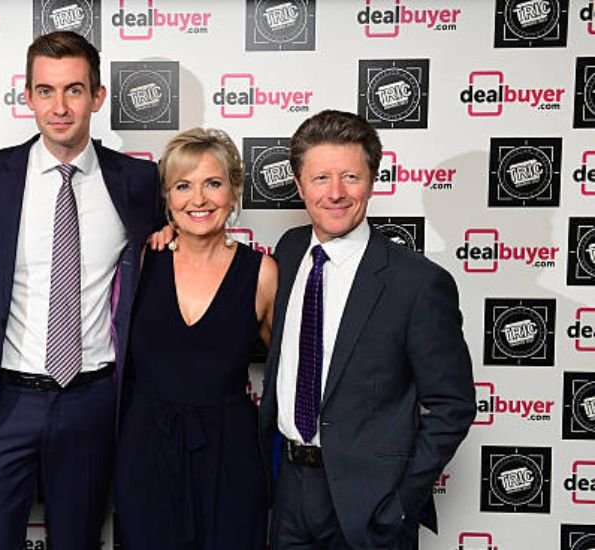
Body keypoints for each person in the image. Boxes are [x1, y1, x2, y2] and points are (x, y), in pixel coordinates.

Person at [0, 31, 161, 549]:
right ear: (28, 96)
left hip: (92, 402)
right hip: (2, 401)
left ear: (97, 96)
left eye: (73, 90)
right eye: (45, 91)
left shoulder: (137, 181)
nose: (59, 107)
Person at [259, 110, 475, 549]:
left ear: (373, 181)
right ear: (299, 186)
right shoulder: (290, 250)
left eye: (350, 177)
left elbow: (452, 406)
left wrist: (401, 503)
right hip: (289, 492)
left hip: (371, 505)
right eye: (320, 178)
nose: (335, 193)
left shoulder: (417, 283)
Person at [115, 128, 277, 550]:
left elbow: (290, 371)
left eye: (213, 183)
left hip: (230, 455)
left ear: (234, 190)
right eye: (183, 186)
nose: (198, 199)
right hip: (145, 452)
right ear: (167, 198)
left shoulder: (262, 273)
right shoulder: (140, 261)